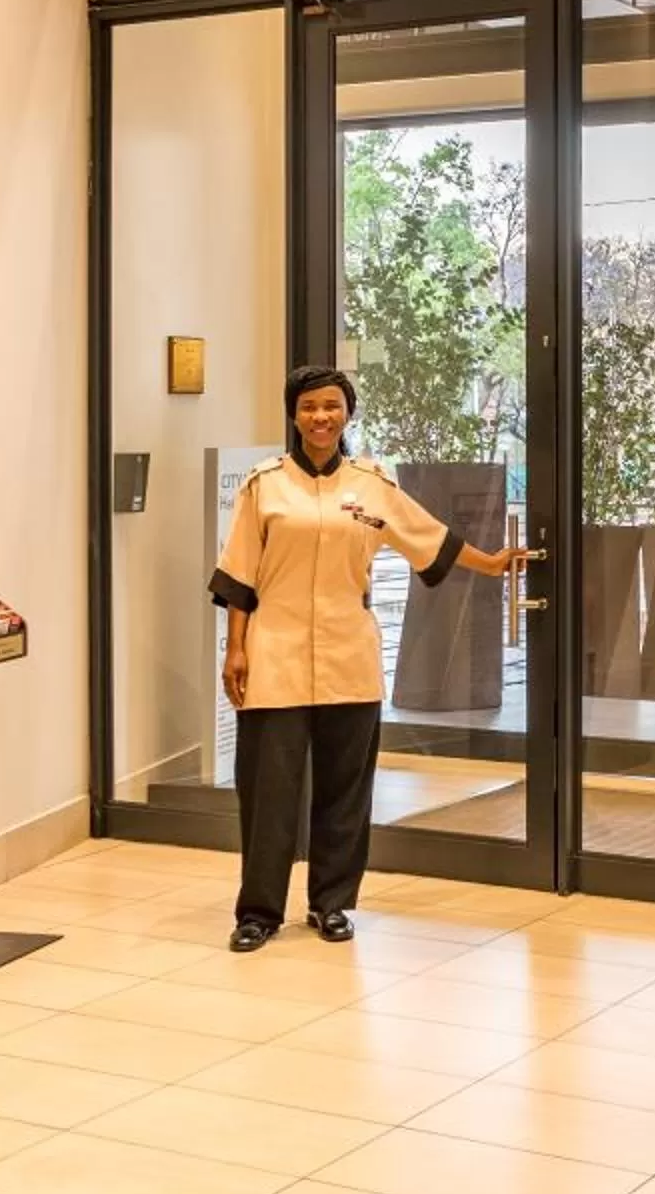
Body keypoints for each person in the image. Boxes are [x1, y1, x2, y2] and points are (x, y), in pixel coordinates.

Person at [209, 365, 527, 952]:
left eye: (332, 406)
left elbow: (426, 536)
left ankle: (331, 904)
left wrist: (491, 563)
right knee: (268, 792)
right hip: (274, 653)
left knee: (345, 789)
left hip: (348, 654)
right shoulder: (264, 485)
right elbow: (238, 578)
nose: (321, 417)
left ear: (348, 413)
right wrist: (235, 648)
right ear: (294, 415)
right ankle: (258, 913)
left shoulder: (372, 485)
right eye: (309, 407)